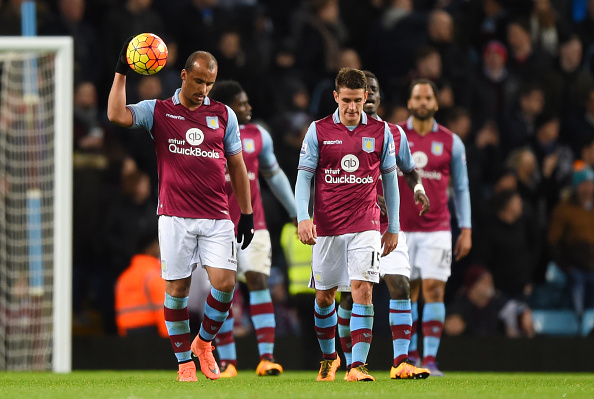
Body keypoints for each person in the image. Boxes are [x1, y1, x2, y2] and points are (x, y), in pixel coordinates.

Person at [107, 41, 254, 382]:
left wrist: (245, 213)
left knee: (226, 284)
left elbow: (237, 165)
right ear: (184, 75)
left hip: (217, 215)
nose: (204, 89)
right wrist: (121, 70)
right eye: (199, 81)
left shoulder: (223, 115)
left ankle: (203, 344)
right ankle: (184, 363)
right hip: (175, 216)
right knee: (177, 290)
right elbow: (116, 115)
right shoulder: (158, 110)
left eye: (210, 84)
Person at [296, 67, 400, 382]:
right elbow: (304, 177)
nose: (352, 108)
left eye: (357, 100)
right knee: (325, 297)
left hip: (366, 224)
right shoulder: (318, 130)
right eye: (346, 101)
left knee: (362, 290)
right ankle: (330, 358)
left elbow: (391, 181)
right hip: (327, 227)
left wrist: (392, 225)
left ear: (366, 97)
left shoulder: (380, 132)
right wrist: (304, 216)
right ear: (335, 97)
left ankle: (358, 366)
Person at [336, 71, 431, 380]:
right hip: (351, 225)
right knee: (350, 296)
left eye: (375, 90)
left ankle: (401, 361)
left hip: (388, 225)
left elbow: (410, 170)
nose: (371, 95)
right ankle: (351, 361)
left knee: (400, 285)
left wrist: (418, 189)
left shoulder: (394, 134)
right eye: (367, 90)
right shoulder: (338, 132)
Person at [206, 80, 298, 377]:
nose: (248, 107)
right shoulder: (206, 135)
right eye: (242, 103)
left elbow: (274, 175)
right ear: (226, 108)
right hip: (217, 226)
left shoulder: (259, 136)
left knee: (259, 280)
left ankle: (266, 358)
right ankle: (229, 362)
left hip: (254, 224)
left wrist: (297, 212)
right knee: (224, 291)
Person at [400, 79, 472, 376]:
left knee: (433, 289)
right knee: (407, 292)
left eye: (428, 97)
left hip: (438, 228)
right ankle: (412, 357)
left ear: (436, 103)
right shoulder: (396, 136)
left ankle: (429, 359)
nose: (423, 102)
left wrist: (465, 228)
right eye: (418, 97)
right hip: (401, 228)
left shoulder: (451, 141)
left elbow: (463, 187)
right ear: (410, 102)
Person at [115, 234, 167, 338]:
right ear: (149, 248)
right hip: (153, 332)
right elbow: (163, 308)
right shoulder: (154, 275)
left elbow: (120, 309)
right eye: (157, 245)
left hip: (128, 332)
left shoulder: (124, 277)